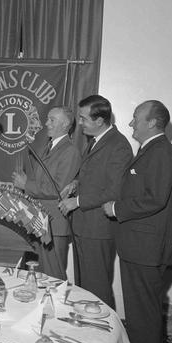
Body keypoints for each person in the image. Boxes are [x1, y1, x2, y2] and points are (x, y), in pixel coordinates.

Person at [102, 100, 172, 343]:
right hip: (138, 247)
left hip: (145, 250)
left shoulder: (160, 152)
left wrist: (116, 207)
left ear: (152, 122)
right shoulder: (151, 150)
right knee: (138, 317)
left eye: (136, 118)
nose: (131, 123)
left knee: (143, 319)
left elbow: (155, 199)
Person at [58, 95, 133, 307]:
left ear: (99, 121)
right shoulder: (95, 142)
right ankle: (85, 330)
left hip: (98, 230)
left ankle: (103, 335)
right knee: (84, 286)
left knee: (97, 288)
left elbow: (114, 191)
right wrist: (75, 182)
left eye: (83, 119)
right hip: (85, 226)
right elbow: (93, 176)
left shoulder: (118, 146)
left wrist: (78, 201)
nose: (79, 123)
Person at [12, 106, 81, 280]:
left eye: (52, 120)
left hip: (54, 224)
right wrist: (25, 182)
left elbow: (57, 189)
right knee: (34, 274)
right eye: (48, 119)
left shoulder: (70, 151)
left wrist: (26, 184)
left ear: (65, 125)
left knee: (52, 277)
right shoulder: (47, 147)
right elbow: (42, 182)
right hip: (37, 221)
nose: (46, 123)